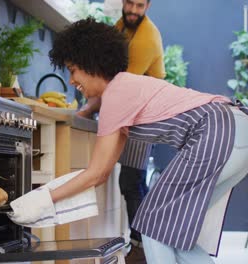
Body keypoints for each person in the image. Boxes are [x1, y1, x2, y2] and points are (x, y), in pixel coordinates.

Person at [9, 18, 248, 263]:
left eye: (73, 70)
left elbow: (96, 173)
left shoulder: (116, 95)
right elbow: (102, 172)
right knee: (174, 234)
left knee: (153, 222)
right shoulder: (126, 88)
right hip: (238, 133)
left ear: (90, 62)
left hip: (218, 133)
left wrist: (40, 200)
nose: (71, 80)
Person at [78, 1, 165, 262]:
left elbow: (118, 86)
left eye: (140, 5)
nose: (133, 11)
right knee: (133, 182)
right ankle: (146, 245)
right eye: (130, 3)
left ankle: (141, 247)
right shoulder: (121, 28)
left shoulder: (146, 39)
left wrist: (86, 109)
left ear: (148, 6)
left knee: (131, 181)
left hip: (144, 114)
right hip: (132, 111)